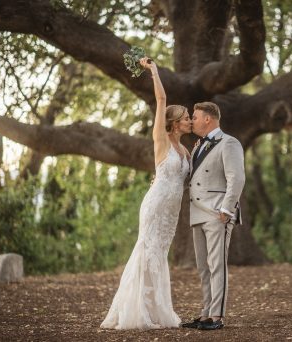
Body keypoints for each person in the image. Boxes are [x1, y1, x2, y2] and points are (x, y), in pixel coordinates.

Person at [100, 57, 191, 329]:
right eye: (186, 118)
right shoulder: (161, 140)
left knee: (159, 255)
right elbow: (161, 101)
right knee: (147, 252)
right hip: (155, 205)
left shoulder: (186, 151)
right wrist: (153, 71)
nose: (189, 121)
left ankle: (156, 311)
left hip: (170, 212)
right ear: (174, 123)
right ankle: (135, 312)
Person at [181, 102, 245, 330]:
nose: (192, 121)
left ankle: (217, 316)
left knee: (217, 265)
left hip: (217, 213)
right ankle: (206, 312)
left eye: (195, 117)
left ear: (208, 119)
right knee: (203, 267)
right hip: (197, 213)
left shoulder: (229, 143)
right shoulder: (198, 146)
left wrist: (227, 210)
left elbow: (236, 178)